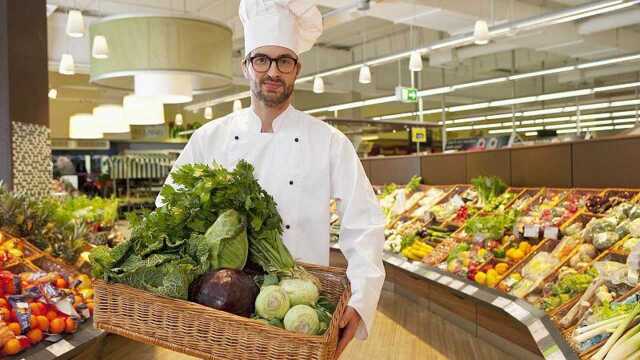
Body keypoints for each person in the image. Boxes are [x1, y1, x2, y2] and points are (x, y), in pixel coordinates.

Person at [157, 0, 385, 357]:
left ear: (297, 68)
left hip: (299, 309)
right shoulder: (210, 138)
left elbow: (364, 222)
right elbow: (166, 209)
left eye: (284, 61)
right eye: (261, 59)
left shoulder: (328, 141)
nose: (273, 72)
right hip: (222, 309)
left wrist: (362, 296)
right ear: (246, 65)